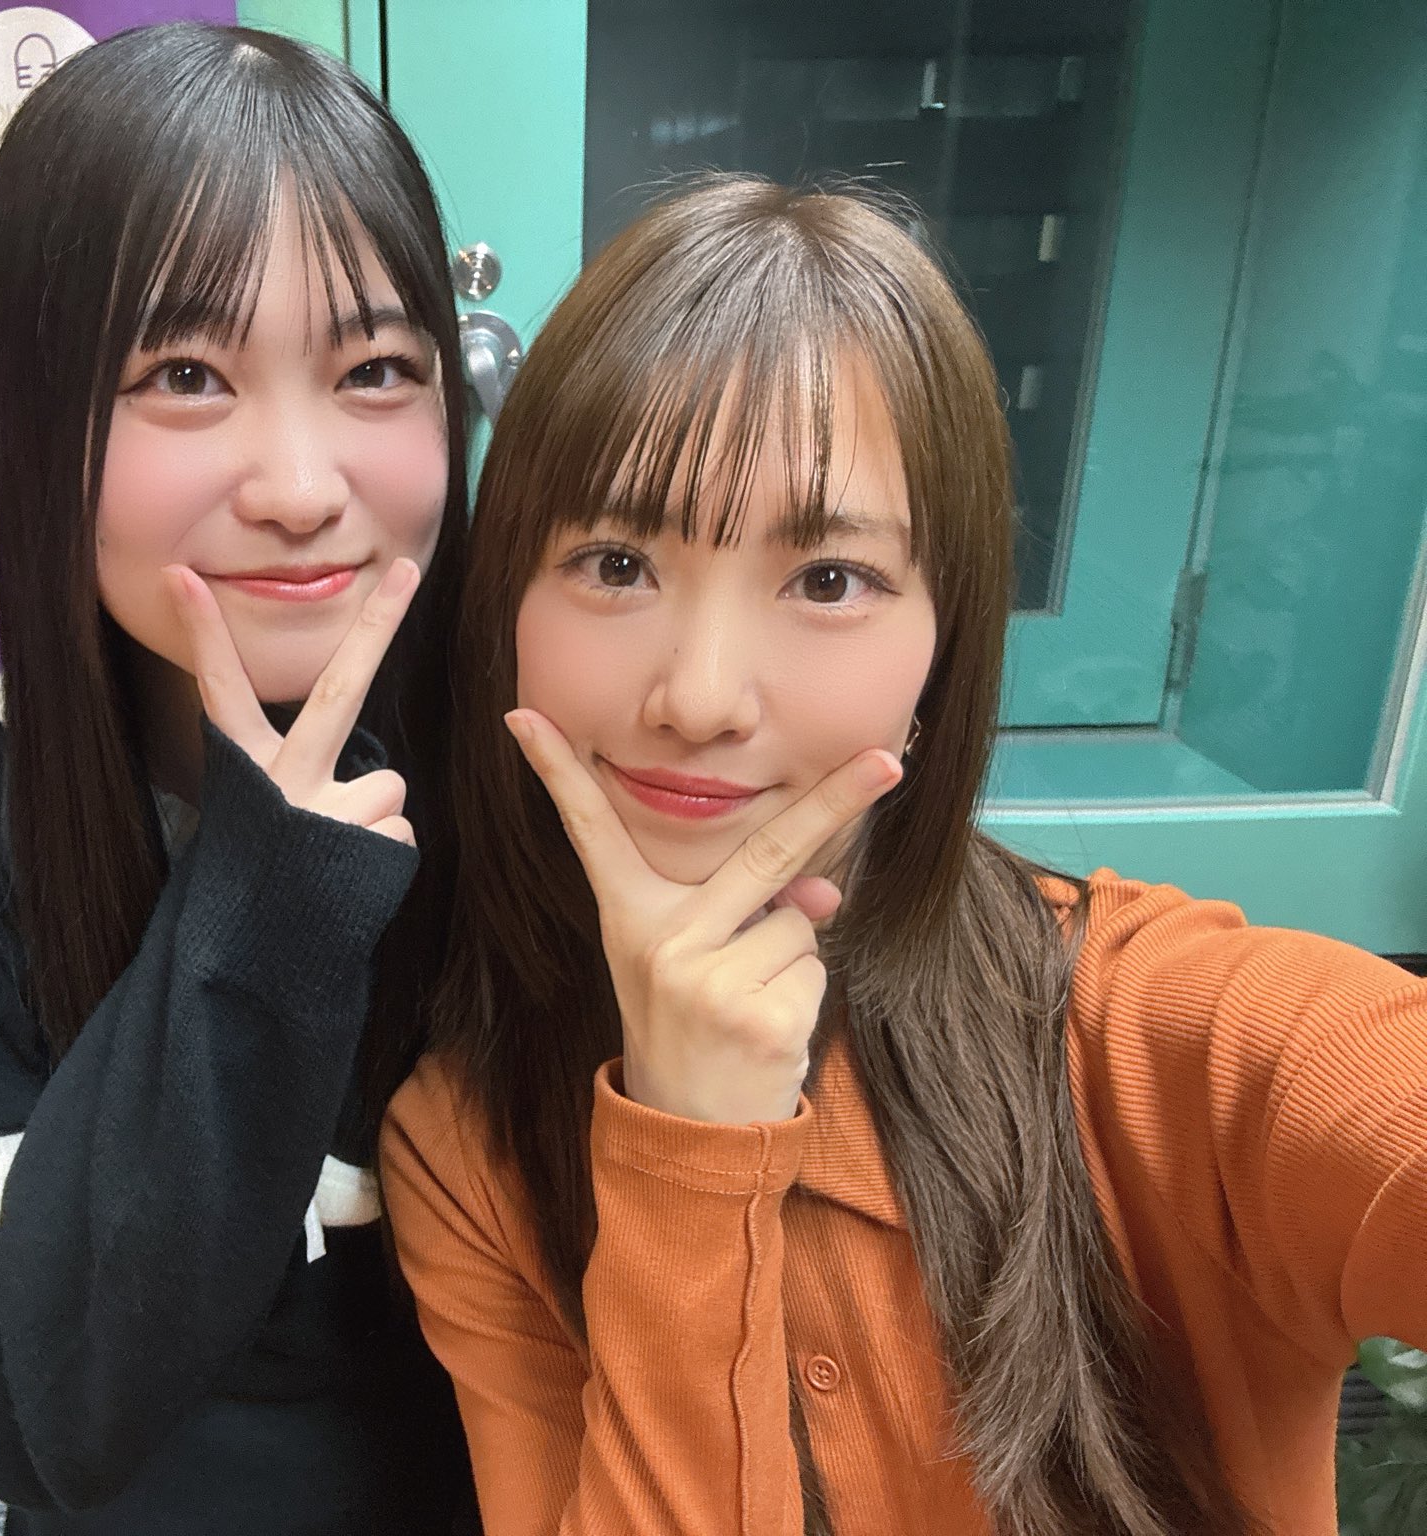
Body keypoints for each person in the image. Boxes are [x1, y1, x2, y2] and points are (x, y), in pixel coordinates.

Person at [381, 175, 1427, 1536]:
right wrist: (690, 1146)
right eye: (615, 562)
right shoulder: (472, 1149)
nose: (699, 697)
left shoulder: (1159, 1033)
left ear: (945, 644)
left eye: (829, 581)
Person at [0, 23, 474, 1534]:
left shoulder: (523, 782)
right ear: (34, 414)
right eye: (186, 374)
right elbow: (38, 1423)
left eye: (376, 370)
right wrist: (266, 912)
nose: (301, 486)